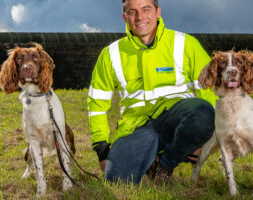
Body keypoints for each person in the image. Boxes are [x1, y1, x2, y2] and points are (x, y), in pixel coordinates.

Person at [87, 0, 218, 184]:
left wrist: (207, 133)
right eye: (132, 12)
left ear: (158, 12)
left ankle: (165, 165)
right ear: (125, 17)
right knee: (116, 179)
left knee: (203, 112)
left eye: (146, 9)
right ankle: (150, 161)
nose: (140, 17)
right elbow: (97, 104)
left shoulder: (186, 44)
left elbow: (211, 92)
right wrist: (102, 149)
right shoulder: (110, 54)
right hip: (135, 127)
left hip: (176, 119)